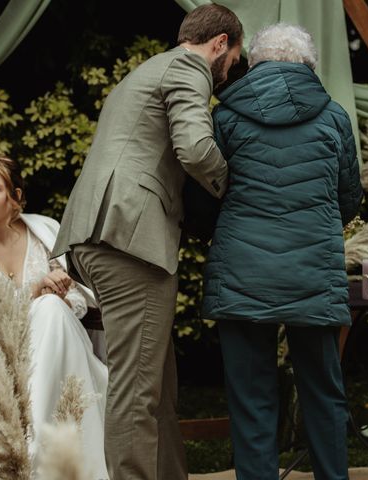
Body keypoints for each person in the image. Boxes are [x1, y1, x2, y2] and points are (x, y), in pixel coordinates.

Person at [51, 4, 243, 480]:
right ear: (219, 44)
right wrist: (234, 191)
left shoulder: (149, 69)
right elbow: (196, 148)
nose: (227, 76)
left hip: (105, 233)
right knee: (138, 389)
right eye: (233, 62)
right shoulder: (189, 67)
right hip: (128, 239)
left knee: (156, 384)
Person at [201, 22, 362, 480]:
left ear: (255, 63)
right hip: (312, 271)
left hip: (243, 273)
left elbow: (206, 192)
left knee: (251, 399)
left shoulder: (226, 116)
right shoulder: (333, 117)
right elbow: (349, 198)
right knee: (324, 394)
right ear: (308, 65)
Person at [0, 154, 107, 478]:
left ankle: (32, 449)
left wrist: (59, 292)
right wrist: (32, 295)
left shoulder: (45, 231)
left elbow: (81, 299)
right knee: (46, 308)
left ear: (15, 197)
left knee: (52, 309)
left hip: (61, 339)